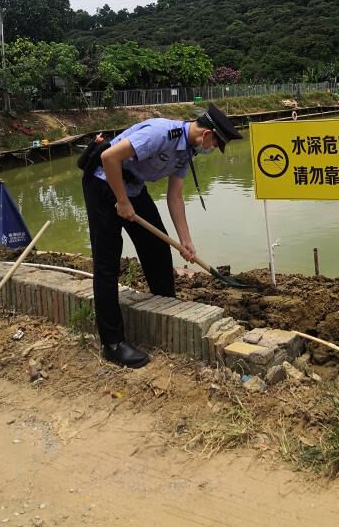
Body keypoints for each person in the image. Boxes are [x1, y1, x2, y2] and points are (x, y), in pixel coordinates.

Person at [81, 104, 242, 368]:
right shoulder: (159, 133)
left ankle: (166, 307)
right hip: (103, 182)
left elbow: (175, 196)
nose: (212, 149)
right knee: (107, 262)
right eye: (215, 144)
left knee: (157, 248)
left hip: (132, 186)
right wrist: (121, 201)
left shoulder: (187, 152)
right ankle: (112, 343)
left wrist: (186, 240)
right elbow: (109, 157)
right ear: (207, 135)